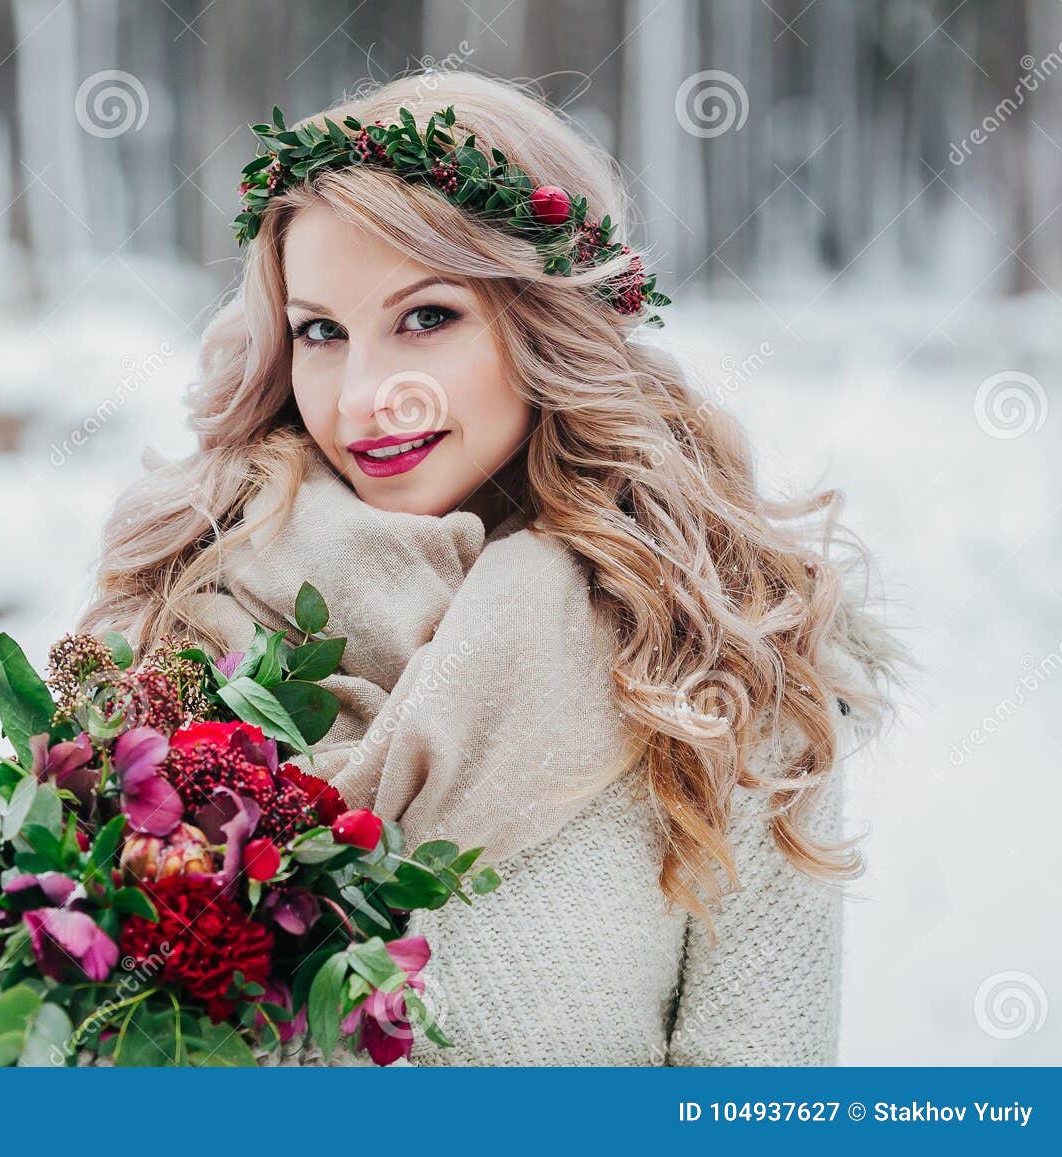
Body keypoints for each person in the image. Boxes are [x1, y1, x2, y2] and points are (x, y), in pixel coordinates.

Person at [77, 71, 898, 1065]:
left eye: (426, 317)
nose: (367, 395)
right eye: (322, 332)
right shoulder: (174, 630)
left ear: (542, 319)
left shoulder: (715, 662)